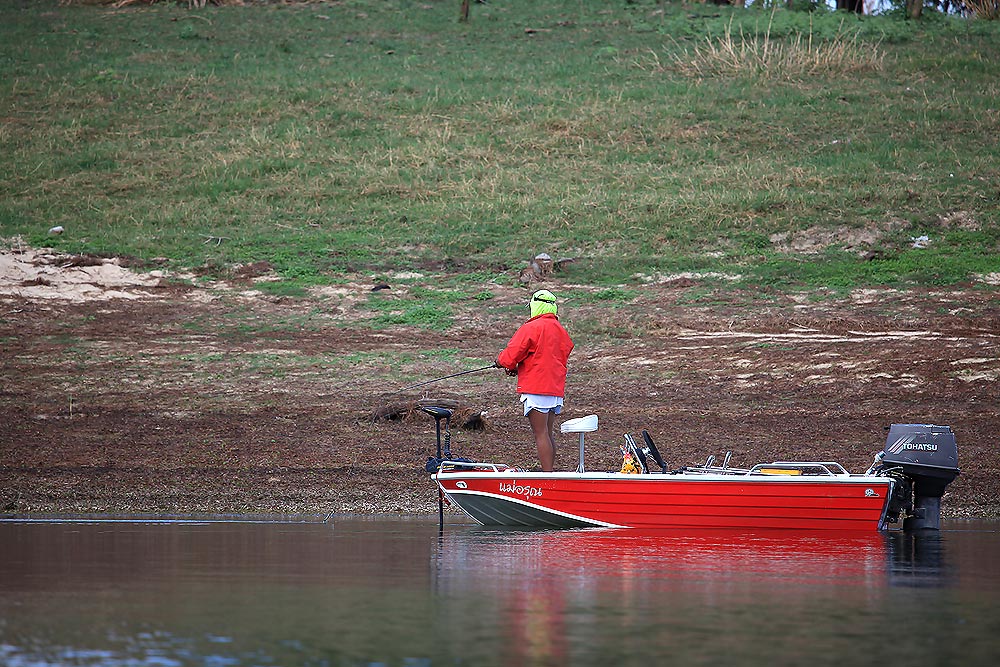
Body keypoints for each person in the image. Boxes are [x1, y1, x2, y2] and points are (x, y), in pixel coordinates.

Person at [495, 289, 574, 472]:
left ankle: (548, 477)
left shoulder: (531, 327)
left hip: (537, 388)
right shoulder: (560, 330)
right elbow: (549, 356)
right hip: (554, 389)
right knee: (547, 433)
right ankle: (551, 474)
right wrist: (520, 367)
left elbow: (510, 355)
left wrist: (500, 362)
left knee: (540, 434)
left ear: (535, 306)